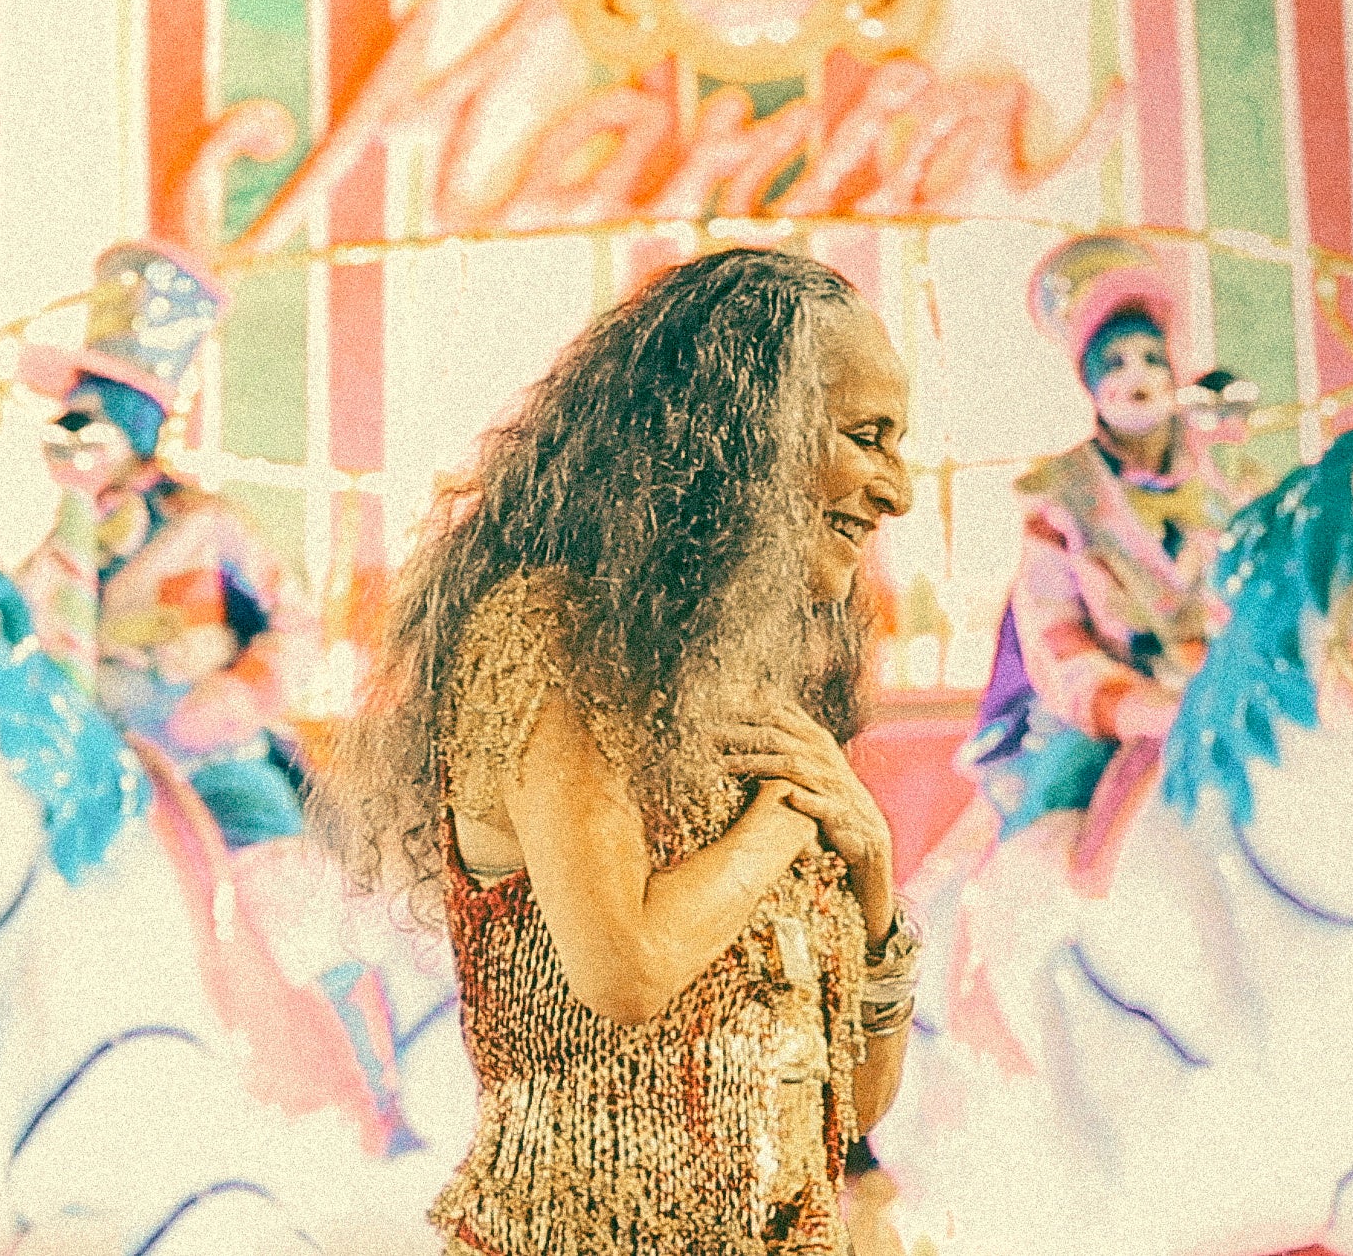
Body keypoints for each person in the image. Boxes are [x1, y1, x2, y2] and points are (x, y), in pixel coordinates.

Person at [316, 247, 919, 1253]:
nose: (897, 491)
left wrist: (874, 874)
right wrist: (785, 820)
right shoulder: (546, 637)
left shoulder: (761, 690)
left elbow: (844, 1110)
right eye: (867, 438)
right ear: (743, 433)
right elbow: (625, 970)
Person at [957, 234, 1240, 892]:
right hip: (1107, 719)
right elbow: (1054, 633)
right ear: (1090, 386)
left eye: (1151, 359)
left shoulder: (1231, 488)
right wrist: (1138, 708)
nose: (1137, 377)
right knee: (1044, 838)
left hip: (1226, 704)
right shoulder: (1058, 498)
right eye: (1113, 362)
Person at [14, 240, 318, 850]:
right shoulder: (59, 553)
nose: (69, 440)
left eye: (87, 422)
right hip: (97, 764)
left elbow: (298, 623)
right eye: (65, 422)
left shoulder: (206, 527)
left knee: (266, 840)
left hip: (206, 758)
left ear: (131, 431)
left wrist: (237, 694)